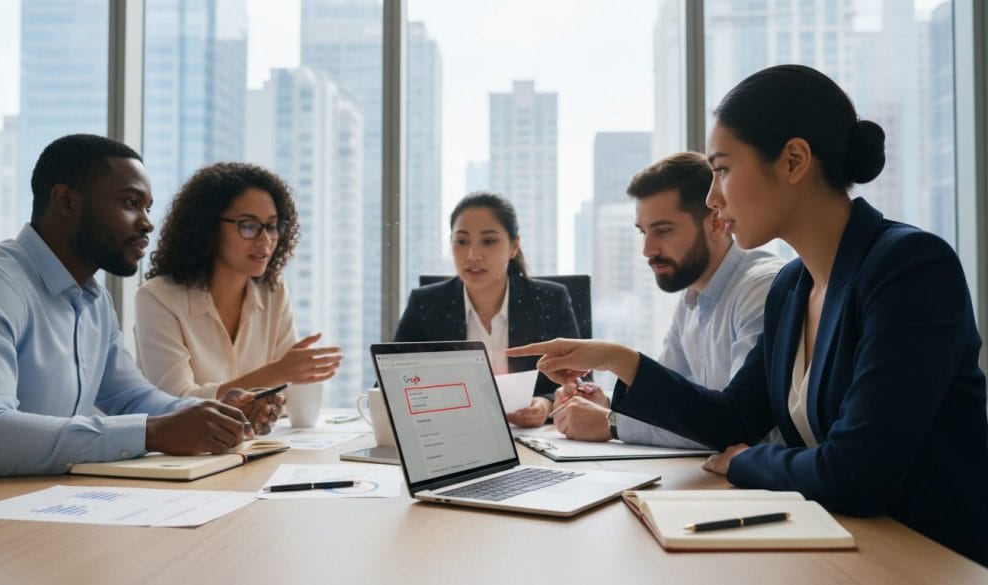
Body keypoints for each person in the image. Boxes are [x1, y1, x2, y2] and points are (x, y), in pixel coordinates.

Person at [509, 65, 988, 566]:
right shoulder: (792, 287)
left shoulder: (909, 267)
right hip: (842, 545)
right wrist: (619, 359)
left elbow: (858, 474)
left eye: (723, 170)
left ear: (794, 161)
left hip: (927, 558)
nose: (714, 199)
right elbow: (731, 417)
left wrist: (746, 460)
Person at [0, 134, 282, 484]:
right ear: (65, 201)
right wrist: (150, 433)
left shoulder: (95, 301)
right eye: (131, 203)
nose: (147, 222)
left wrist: (213, 413)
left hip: (43, 505)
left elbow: (132, 398)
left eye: (148, 207)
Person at [551, 152, 783, 445]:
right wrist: (604, 402)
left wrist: (611, 423)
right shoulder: (693, 295)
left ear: (715, 221)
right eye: (643, 232)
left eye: (663, 230)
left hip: (762, 485)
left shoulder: (760, 288)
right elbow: (673, 402)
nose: (647, 249)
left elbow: (733, 427)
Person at [135, 162, 342, 399]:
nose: (265, 241)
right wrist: (277, 373)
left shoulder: (273, 292)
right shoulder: (157, 298)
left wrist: (292, 377)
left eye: (272, 226)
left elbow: (286, 395)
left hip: (258, 437)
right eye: (248, 225)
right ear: (208, 227)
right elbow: (176, 402)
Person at [393, 192, 580, 427]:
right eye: (462, 241)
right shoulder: (426, 304)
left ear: (513, 246)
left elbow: (577, 383)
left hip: (532, 439)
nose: (473, 255)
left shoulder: (550, 300)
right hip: (454, 436)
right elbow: (390, 388)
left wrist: (544, 404)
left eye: (488, 241)